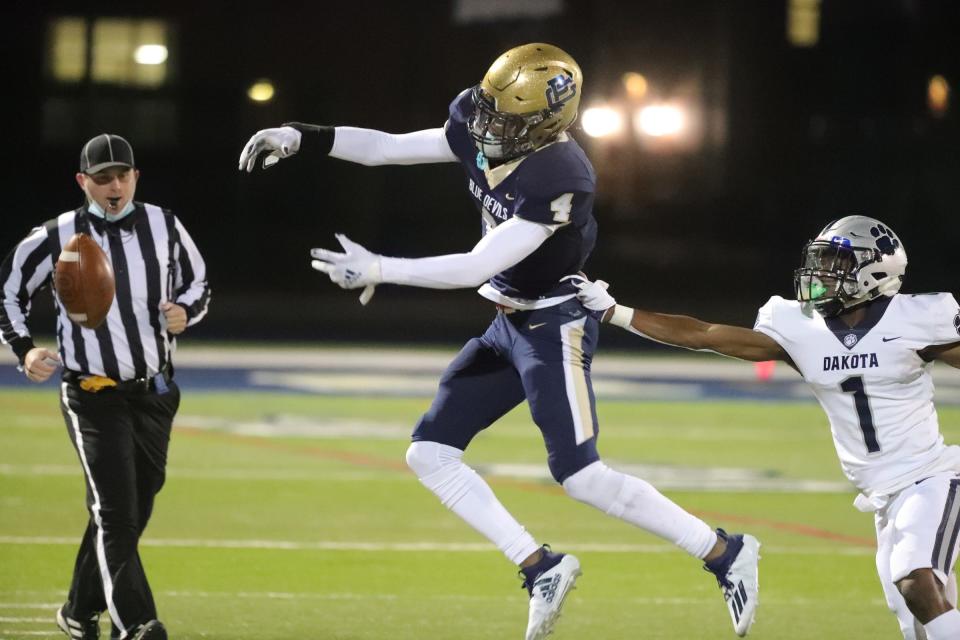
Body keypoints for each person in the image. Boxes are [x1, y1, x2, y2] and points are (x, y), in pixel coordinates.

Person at [238, 42, 759, 639]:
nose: (486, 126)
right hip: (506, 322)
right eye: (488, 109)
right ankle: (541, 566)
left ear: (546, 121)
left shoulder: (562, 176)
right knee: (429, 453)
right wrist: (303, 136)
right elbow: (386, 148)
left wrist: (382, 268)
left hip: (554, 323)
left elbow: (473, 265)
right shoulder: (478, 117)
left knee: (581, 476)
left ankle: (723, 552)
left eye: (505, 118)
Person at [575, 214, 960, 640]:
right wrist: (616, 312)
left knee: (914, 579)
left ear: (875, 269)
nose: (822, 272)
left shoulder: (919, 318)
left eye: (836, 261)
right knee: (915, 617)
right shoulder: (800, 326)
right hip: (882, 495)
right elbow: (702, 333)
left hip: (932, 477)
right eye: (821, 259)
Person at [0, 133, 211, 640]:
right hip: (92, 393)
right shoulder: (56, 235)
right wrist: (24, 348)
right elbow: (7, 293)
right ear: (83, 182)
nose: (114, 186)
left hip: (156, 392)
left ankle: (78, 609)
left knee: (133, 508)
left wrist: (187, 311)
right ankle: (136, 623)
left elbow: (199, 284)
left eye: (122, 175)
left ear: (136, 176)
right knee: (115, 511)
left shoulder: (165, 225)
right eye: (102, 178)